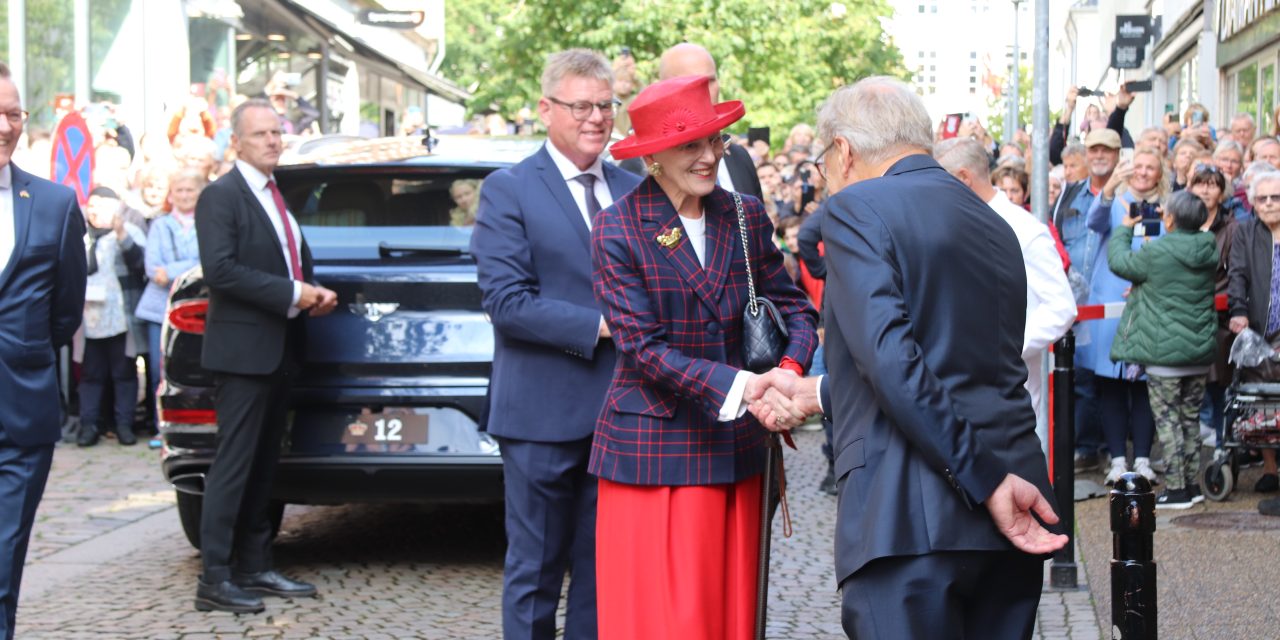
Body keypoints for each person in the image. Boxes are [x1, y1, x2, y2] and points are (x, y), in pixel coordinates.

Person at [750, 76, 1066, 640]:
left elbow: (895, 361)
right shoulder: (994, 221)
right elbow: (953, 358)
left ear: (843, 151)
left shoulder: (857, 207)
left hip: (915, 514)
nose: (826, 182)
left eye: (823, 167)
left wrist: (985, 480)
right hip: (1012, 496)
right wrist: (818, 392)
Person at [590, 74, 817, 639]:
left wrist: (788, 372)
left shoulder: (742, 213)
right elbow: (642, 348)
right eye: (690, 144)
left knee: (732, 615)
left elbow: (794, 308)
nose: (708, 155)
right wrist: (746, 387)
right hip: (657, 453)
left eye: (714, 141)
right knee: (669, 618)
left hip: (739, 448)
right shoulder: (617, 228)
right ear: (653, 158)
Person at [470, 49, 641, 640]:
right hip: (541, 416)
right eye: (581, 106)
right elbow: (507, 302)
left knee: (602, 573)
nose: (596, 118)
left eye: (605, 105)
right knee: (536, 570)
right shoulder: (509, 188)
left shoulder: (635, 187)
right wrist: (604, 326)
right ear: (546, 110)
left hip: (621, 414)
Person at [192, 98, 338, 613]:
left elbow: (286, 261)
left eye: (277, 133)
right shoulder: (221, 196)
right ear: (236, 142)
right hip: (243, 354)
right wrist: (293, 293)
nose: (273, 141)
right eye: (261, 134)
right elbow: (222, 271)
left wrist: (312, 294)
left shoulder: (277, 195)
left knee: (262, 465)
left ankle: (254, 564)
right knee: (233, 465)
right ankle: (215, 576)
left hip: (280, 348)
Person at [0, 60, 87, 640]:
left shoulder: (54, 204)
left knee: (3, 564)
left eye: (13, 112)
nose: (5, 125)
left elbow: (66, 311)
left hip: (20, 418)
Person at [935, 137, 1077, 448]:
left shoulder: (1024, 230)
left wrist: (1000, 349)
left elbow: (1061, 307)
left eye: (939, 179)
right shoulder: (951, 223)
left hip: (1007, 396)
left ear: (963, 178)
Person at [1107, 190, 1218, 508]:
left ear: (1169, 219)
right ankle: (1193, 485)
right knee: (1190, 419)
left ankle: (1177, 489)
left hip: (1163, 354)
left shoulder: (1158, 252)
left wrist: (1126, 226)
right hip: (1198, 353)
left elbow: (1119, 261)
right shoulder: (1207, 247)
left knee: (1167, 421)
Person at [1088, 147, 1170, 485]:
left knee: (1143, 386)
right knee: (1110, 382)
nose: (1144, 172)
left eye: (1151, 167)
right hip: (1109, 303)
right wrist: (1108, 189)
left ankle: (1143, 459)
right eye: (1138, 166)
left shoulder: (1169, 206)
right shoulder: (1114, 201)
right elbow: (1093, 223)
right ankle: (1117, 459)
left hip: (1150, 303)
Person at [78, 186, 147, 447]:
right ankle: (89, 425)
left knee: (124, 373)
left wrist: (121, 235)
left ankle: (124, 425)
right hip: (86, 319)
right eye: (92, 206)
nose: (96, 212)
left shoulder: (130, 232)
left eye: (103, 206)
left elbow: (141, 264)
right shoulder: (79, 235)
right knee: (90, 374)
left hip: (120, 317)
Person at [654, 43, 764, 202]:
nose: (702, 91)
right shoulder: (641, 166)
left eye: (709, 81)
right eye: (691, 83)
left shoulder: (739, 158)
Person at [1227, 172, 1280, 494]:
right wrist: (1239, 312)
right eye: (1263, 198)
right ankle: (1270, 467)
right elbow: (1238, 274)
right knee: (1261, 396)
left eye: (1276, 197)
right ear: (1253, 201)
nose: (1270, 204)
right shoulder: (1246, 232)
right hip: (1260, 327)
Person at [134, 169, 206, 395]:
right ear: (171, 195)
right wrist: (186, 268)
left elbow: (204, 263)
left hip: (197, 306)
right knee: (160, 369)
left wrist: (172, 270)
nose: (184, 195)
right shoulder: (160, 225)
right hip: (160, 308)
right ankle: (160, 425)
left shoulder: (207, 223)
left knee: (195, 369)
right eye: (179, 190)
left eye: (190, 190)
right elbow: (153, 269)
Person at [1188, 164, 1239, 449]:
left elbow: (1235, 272)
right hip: (1186, 317)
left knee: (1220, 385)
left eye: (1212, 184)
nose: (1205, 189)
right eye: (1200, 183)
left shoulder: (1232, 227)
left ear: (1221, 192)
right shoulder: (1180, 223)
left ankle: (1222, 444)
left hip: (1219, 318)